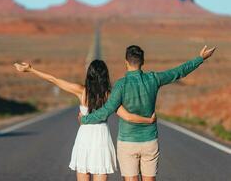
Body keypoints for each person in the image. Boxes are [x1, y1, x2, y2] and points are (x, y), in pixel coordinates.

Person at [80, 45, 216, 181]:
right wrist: (200, 58)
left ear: (125, 62)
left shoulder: (121, 85)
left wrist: (85, 119)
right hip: (150, 141)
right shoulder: (153, 79)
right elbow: (179, 72)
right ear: (143, 62)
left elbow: (106, 111)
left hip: (128, 142)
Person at [14, 60, 156, 181]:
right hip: (101, 140)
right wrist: (148, 120)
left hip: (84, 140)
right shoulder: (109, 96)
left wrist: (31, 69)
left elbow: (54, 80)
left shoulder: (81, 91)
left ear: (89, 75)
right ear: (105, 76)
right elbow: (128, 116)